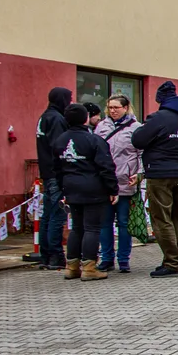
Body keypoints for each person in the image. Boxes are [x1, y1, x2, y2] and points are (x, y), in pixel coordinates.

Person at [131, 81, 178, 278]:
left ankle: (173, 262)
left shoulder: (158, 118)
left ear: (160, 99)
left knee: (161, 218)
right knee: (177, 217)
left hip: (161, 173)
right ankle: (171, 259)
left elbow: (138, 140)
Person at [53, 104, 118, 281]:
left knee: (77, 228)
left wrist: (63, 188)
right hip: (93, 188)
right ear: (86, 119)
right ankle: (89, 267)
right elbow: (106, 166)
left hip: (71, 187)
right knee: (92, 228)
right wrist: (112, 189)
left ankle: (72, 266)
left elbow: (56, 169)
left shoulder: (60, 140)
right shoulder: (93, 140)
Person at [93, 95, 142, 272]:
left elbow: (140, 154)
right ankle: (106, 258)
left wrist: (139, 173)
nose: (113, 110)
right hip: (105, 183)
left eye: (116, 107)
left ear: (126, 108)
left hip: (125, 182)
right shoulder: (101, 127)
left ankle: (123, 259)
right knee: (105, 223)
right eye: (110, 107)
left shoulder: (136, 128)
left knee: (123, 223)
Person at [35, 87, 72, 270]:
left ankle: (46, 255)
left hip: (47, 172)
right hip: (56, 174)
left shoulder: (45, 117)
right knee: (57, 215)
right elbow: (60, 148)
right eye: (69, 99)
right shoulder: (57, 119)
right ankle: (55, 255)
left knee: (47, 216)